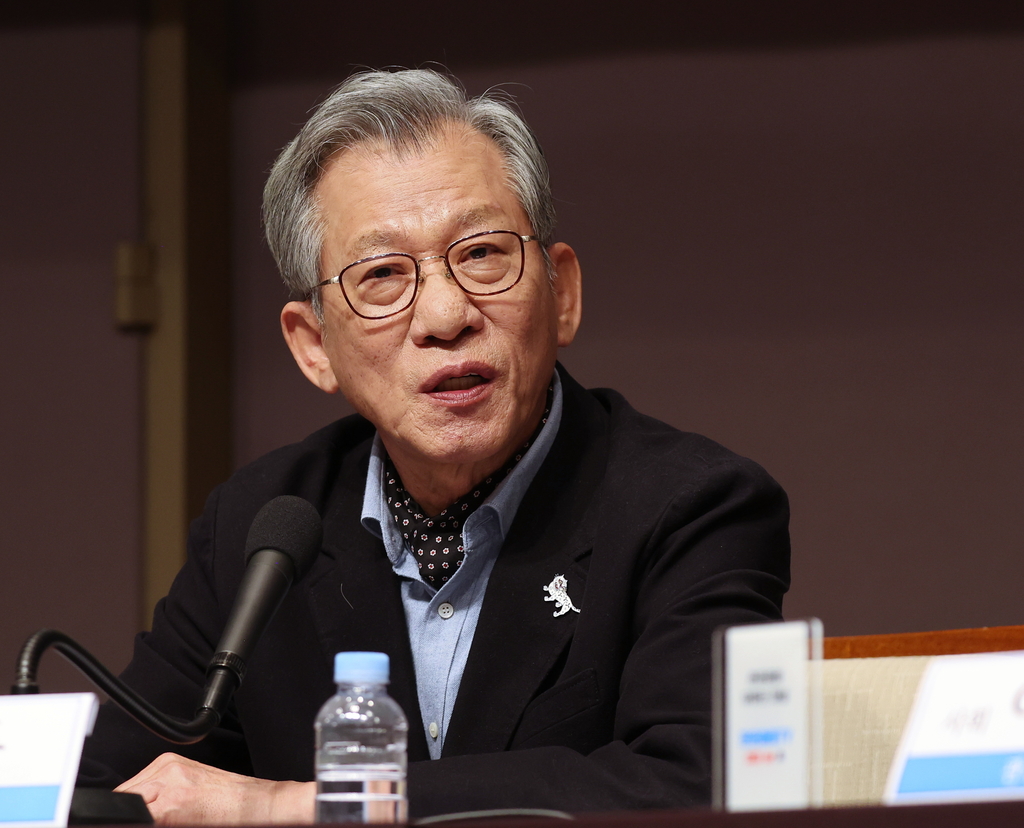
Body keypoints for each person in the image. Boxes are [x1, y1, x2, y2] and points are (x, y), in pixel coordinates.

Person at [78, 68, 791, 824]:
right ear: (314, 346)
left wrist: (299, 806)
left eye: (481, 254)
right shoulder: (262, 526)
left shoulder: (692, 507)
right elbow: (113, 783)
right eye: (383, 275)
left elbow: (702, 782)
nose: (447, 316)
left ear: (563, 293)